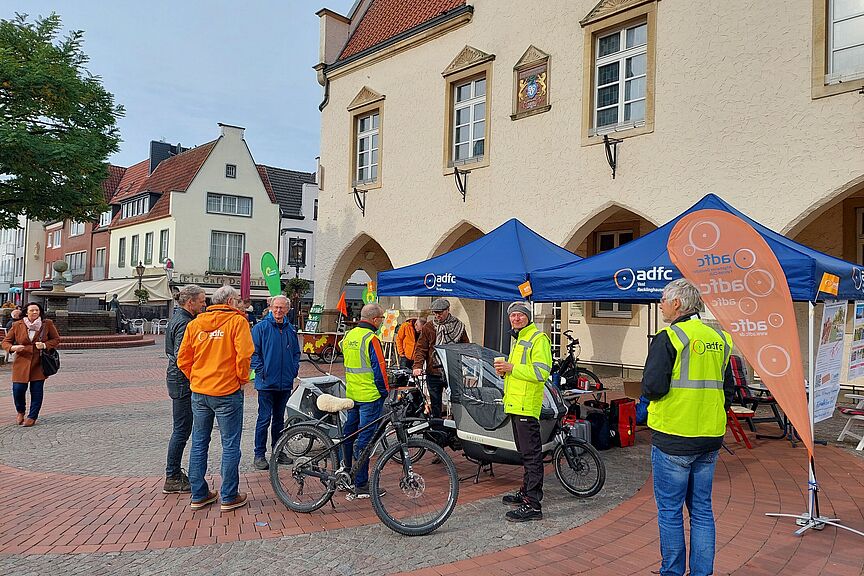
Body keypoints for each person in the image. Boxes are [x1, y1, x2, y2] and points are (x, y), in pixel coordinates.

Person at [641, 278, 734, 576]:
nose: (661, 305)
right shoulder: (719, 338)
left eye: (663, 300)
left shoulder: (670, 336)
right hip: (709, 437)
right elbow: (727, 391)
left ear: (678, 303)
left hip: (674, 436)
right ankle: (702, 572)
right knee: (702, 511)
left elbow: (652, 387)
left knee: (670, 512)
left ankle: (672, 572)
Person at [177, 285, 254, 512]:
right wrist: (240, 379)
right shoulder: (237, 322)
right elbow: (244, 355)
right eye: (238, 300)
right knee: (230, 444)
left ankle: (199, 494)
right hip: (227, 392)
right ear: (229, 301)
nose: (241, 303)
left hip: (200, 392)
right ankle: (229, 496)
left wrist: (197, 378)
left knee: (199, 442)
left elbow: (183, 359)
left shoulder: (196, 324)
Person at [494, 301, 551, 523]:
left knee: (532, 455)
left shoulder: (538, 338)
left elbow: (541, 372)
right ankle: (526, 491)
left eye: (520, 315)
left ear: (528, 317)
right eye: (513, 315)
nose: (516, 318)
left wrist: (511, 368)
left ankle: (533, 504)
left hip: (527, 405)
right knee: (525, 453)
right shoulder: (518, 339)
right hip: (516, 404)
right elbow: (520, 373)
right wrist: (505, 373)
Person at [341, 302, 389, 501]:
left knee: (348, 435)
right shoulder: (372, 338)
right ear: (375, 319)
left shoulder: (348, 336)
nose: (382, 322)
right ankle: (361, 483)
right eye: (382, 319)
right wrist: (385, 391)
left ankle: (346, 473)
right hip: (370, 396)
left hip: (352, 394)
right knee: (365, 441)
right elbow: (380, 369)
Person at [162, 285, 207, 494]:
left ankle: (173, 474)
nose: (204, 304)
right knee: (181, 430)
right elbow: (182, 356)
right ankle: (172, 476)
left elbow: (169, 350)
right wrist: (196, 378)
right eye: (201, 301)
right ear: (191, 303)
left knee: (181, 429)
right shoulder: (185, 322)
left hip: (176, 379)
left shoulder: (177, 318)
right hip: (182, 382)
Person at [250, 295, 300, 470]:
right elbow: (253, 353)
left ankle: (278, 451)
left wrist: (294, 370)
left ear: (287, 309)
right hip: (266, 382)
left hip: (285, 382)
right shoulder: (260, 328)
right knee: (264, 419)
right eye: (276, 307)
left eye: (282, 308)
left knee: (279, 419)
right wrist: (261, 371)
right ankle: (259, 454)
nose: (278, 311)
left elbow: (296, 353)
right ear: (270, 308)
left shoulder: (291, 330)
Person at [2, 302, 61, 426]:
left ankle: (32, 416)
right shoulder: (17, 325)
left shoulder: (47, 324)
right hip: (21, 362)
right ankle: (20, 411)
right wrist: (13, 348)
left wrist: (45, 345)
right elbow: (5, 342)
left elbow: (56, 339)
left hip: (39, 363)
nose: (35, 312)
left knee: (37, 390)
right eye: (32, 310)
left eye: (37, 310)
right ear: (26, 312)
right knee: (18, 390)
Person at [412, 298, 468, 417]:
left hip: (453, 371)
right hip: (433, 371)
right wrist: (417, 366)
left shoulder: (459, 326)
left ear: (448, 310)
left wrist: (466, 366)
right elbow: (421, 348)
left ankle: (455, 429)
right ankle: (436, 432)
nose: (437, 316)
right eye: (435, 313)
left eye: (440, 312)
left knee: (456, 403)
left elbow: (465, 348)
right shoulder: (428, 327)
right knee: (435, 404)